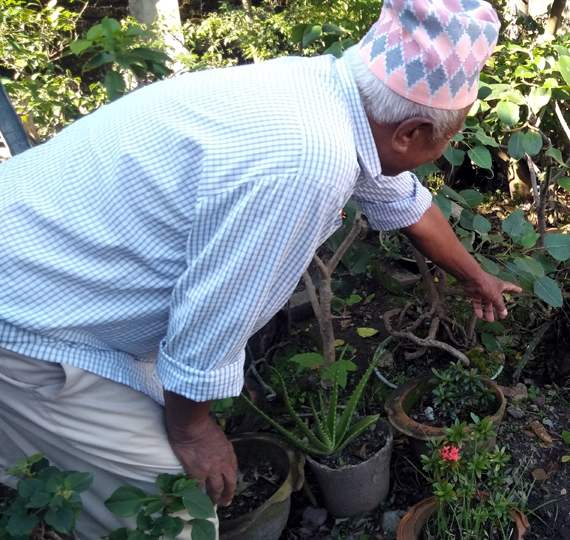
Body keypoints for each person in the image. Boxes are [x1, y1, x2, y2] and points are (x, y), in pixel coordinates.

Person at [0, 0, 517, 537]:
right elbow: (213, 313)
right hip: (28, 318)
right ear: (408, 132)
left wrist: (473, 276)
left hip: (39, 267)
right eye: (445, 141)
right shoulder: (307, 161)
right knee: (165, 498)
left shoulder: (324, 93)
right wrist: (194, 429)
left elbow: (404, 199)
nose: (441, 153)